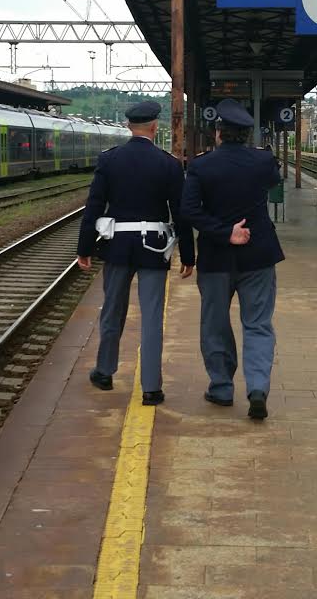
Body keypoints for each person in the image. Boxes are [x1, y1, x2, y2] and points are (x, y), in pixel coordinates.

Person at [76, 100, 195, 406]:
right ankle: (151, 388)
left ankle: (104, 371)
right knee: (153, 316)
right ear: (155, 127)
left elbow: (94, 206)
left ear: (129, 126)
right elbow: (180, 212)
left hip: (116, 246)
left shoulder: (109, 160)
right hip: (153, 247)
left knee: (112, 310)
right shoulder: (168, 164)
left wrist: (85, 248)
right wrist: (189, 253)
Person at [182, 99, 284, 420]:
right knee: (258, 324)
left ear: (218, 133)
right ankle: (257, 387)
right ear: (246, 134)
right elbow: (272, 184)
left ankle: (222, 387)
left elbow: (189, 211)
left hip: (216, 256)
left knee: (214, 323)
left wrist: (224, 232)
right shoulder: (263, 161)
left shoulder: (201, 166)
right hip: (259, 255)